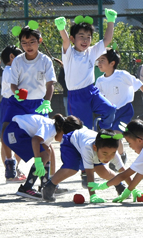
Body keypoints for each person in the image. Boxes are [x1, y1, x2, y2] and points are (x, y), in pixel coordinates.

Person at [3, 24, 57, 182]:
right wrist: (16, 93)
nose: (28, 46)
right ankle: (10, 162)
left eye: (32, 41)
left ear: (39, 41)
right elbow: (13, 84)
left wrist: (46, 102)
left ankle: (49, 180)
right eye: (24, 43)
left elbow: (50, 84)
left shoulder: (45, 60)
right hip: (19, 103)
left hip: (39, 104)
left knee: (45, 142)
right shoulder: (18, 61)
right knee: (5, 130)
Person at [95, 47, 143, 171]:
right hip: (110, 112)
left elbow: (139, 84)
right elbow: (97, 97)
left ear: (112, 63)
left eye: (102, 60)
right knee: (110, 136)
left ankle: (120, 156)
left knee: (117, 133)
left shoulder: (122, 75)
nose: (99, 63)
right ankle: (119, 155)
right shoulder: (100, 81)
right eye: (98, 60)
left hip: (125, 109)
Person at [55, 10, 117, 130]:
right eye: (81, 36)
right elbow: (66, 41)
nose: (85, 40)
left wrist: (110, 21)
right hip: (76, 97)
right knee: (83, 129)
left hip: (91, 91)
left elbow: (107, 40)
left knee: (110, 109)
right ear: (73, 39)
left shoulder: (92, 51)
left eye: (88, 37)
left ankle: (103, 130)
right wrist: (61, 28)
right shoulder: (69, 54)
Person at [3, 113, 83, 199]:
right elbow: (35, 140)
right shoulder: (49, 127)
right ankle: (26, 188)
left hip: (15, 132)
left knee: (47, 152)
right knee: (44, 154)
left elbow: (46, 150)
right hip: (13, 133)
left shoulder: (53, 129)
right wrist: (38, 161)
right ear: (63, 131)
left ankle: (45, 186)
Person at [42, 128, 132, 202]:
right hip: (71, 142)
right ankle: (49, 186)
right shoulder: (88, 148)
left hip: (88, 144)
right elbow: (89, 174)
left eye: (112, 153)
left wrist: (133, 189)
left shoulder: (111, 152)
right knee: (71, 168)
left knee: (103, 172)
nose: (109, 157)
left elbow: (124, 172)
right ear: (95, 148)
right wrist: (93, 196)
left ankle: (120, 186)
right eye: (105, 154)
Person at [0, 45, 26, 183]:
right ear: (12, 57)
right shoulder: (10, 70)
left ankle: (12, 169)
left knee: (8, 138)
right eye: (20, 55)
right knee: (10, 138)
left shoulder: (9, 70)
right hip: (11, 103)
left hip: (10, 103)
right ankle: (11, 170)